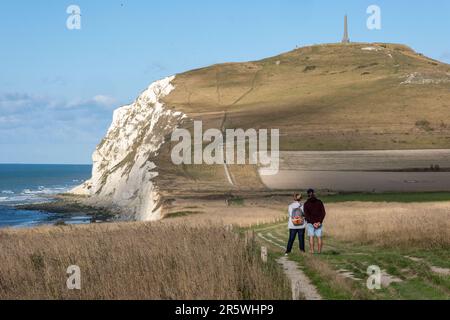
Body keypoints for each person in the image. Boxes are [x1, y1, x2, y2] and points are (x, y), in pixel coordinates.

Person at [303, 189, 326, 254]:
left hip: (310, 223)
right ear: (314, 193)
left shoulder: (306, 203)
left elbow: (306, 215)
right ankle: (319, 252)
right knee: (319, 237)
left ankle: (312, 251)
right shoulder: (319, 202)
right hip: (319, 223)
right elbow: (323, 213)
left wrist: (313, 223)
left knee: (311, 237)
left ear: (308, 194)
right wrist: (319, 222)